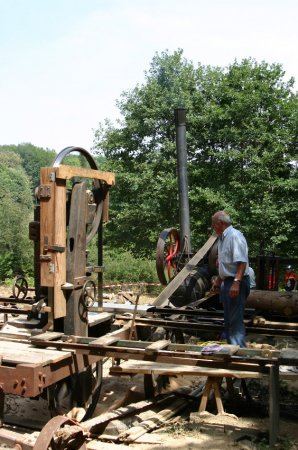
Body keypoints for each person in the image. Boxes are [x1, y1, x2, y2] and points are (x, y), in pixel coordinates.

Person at [210, 210, 250, 348]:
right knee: (228, 322)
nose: (213, 227)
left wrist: (236, 283)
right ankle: (232, 352)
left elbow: (242, 262)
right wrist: (219, 281)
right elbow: (226, 264)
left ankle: (240, 357)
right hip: (228, 282)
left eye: (214, 224)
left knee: (235, 322)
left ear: (221, 223)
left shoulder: (235, 236)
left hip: (236, 282)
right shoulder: (222, 239)